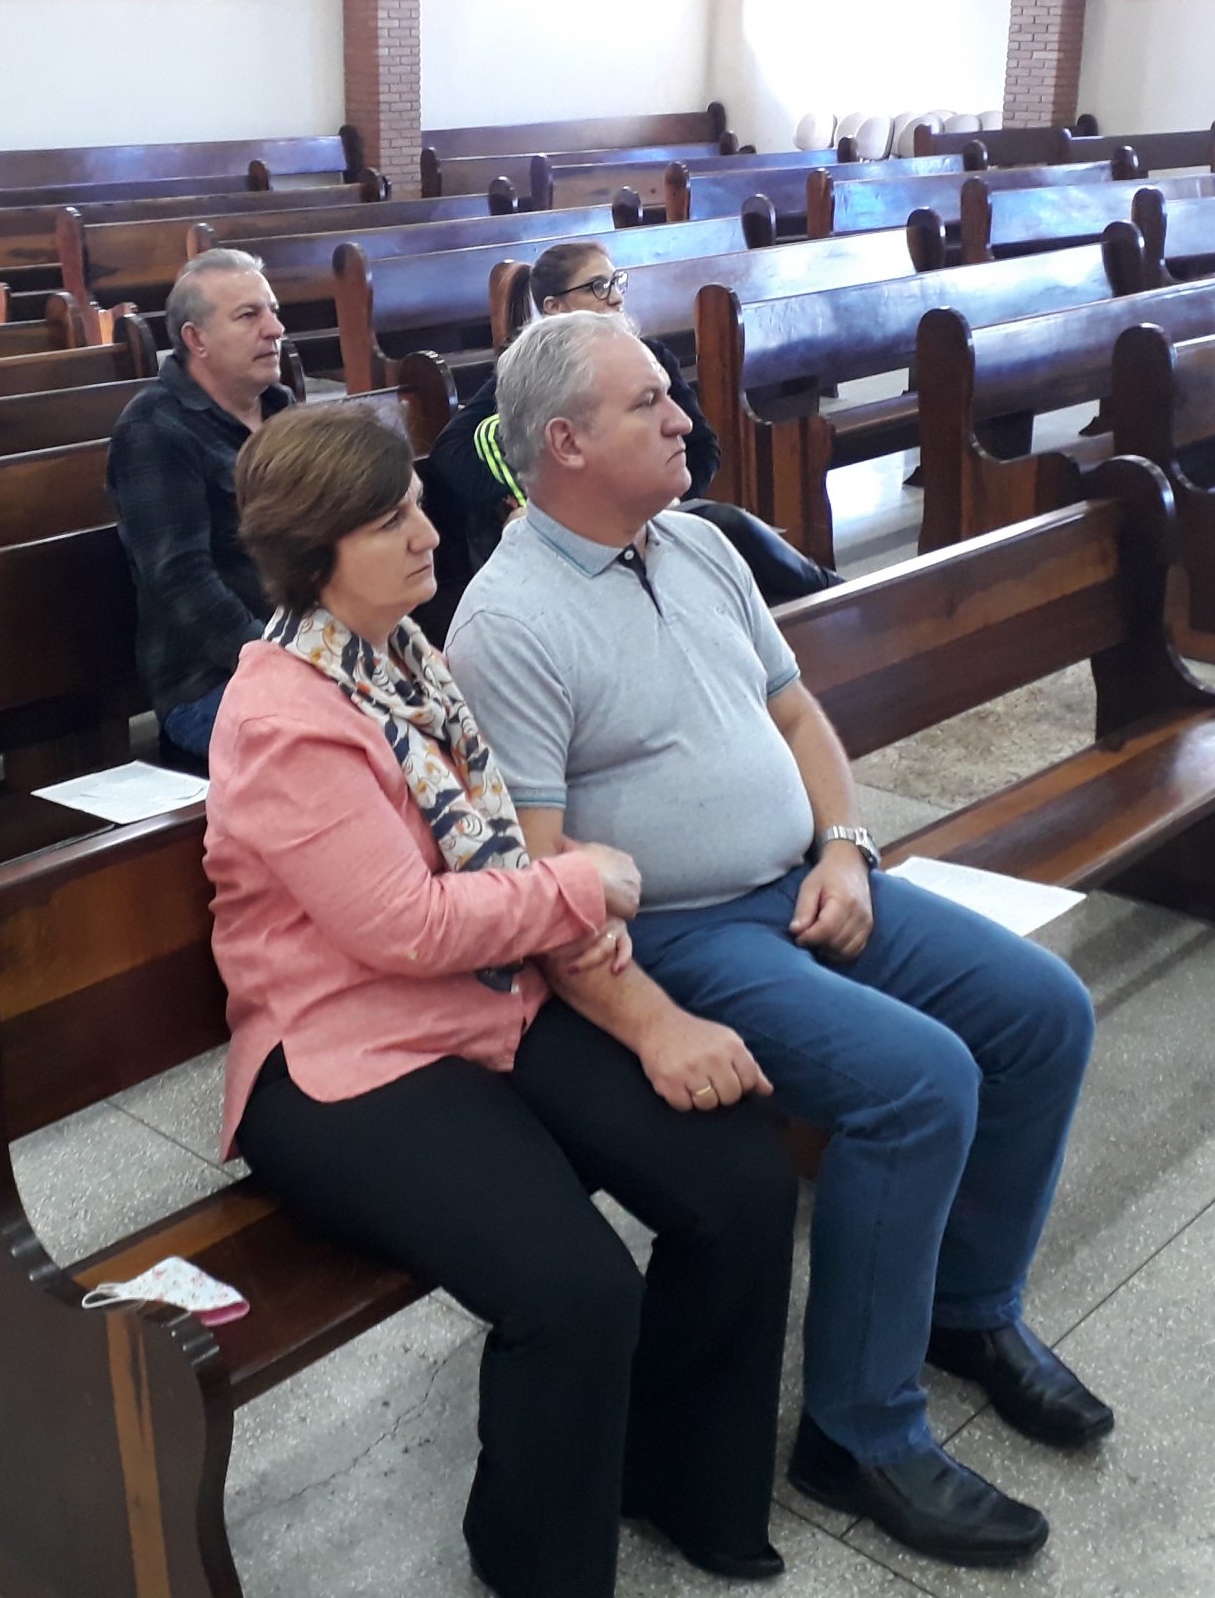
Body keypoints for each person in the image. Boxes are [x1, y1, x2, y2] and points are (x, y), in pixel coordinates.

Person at [446, 311, 1105, 1572]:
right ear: (566, 443)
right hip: (682, 936)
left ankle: (965, 1308)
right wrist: (650, 1022)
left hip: (808, 878)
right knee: (919, 1084)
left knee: (1042, 1014)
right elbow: (537, 874)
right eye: (649, 403)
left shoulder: (697, 543)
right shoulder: (508, 622)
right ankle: (859, 1432)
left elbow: (798, 716)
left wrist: (847, 846)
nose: (682, 417)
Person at [205, 401, 799, 1598]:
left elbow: (490, 854)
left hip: (482, 1006)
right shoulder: (280, 718)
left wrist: (617, 979)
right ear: (315, 553)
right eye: (390, 521)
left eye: (417, 506)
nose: (429, 534)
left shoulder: (401, 657)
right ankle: (533, 1563)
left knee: (738, 1175)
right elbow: (405, 926)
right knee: (573, 1292)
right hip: (345, 1061)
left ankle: (674, 1473)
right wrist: (582, 886)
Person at [429, 240, 843, 602]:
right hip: (579, 530)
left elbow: (702, 447)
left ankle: (837, 598)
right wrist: (522, 501)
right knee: (729, 529)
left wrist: (668, 496)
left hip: (654, 516)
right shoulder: (531, 371)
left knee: (729, 540)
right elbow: (451, 449)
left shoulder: (650, 356)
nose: (615, 297)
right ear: (554, 307)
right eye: (597, 287)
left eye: (616, 282)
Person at [106, 248, 291, 756]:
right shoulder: (155, 428)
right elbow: (180, 578)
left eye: (273, 311)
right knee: (348, 747)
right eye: (249, 315)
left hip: (304, 654)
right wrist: (280, 662)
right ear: (196, 339)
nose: (275, 329)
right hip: (211, 683)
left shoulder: (281, 411)